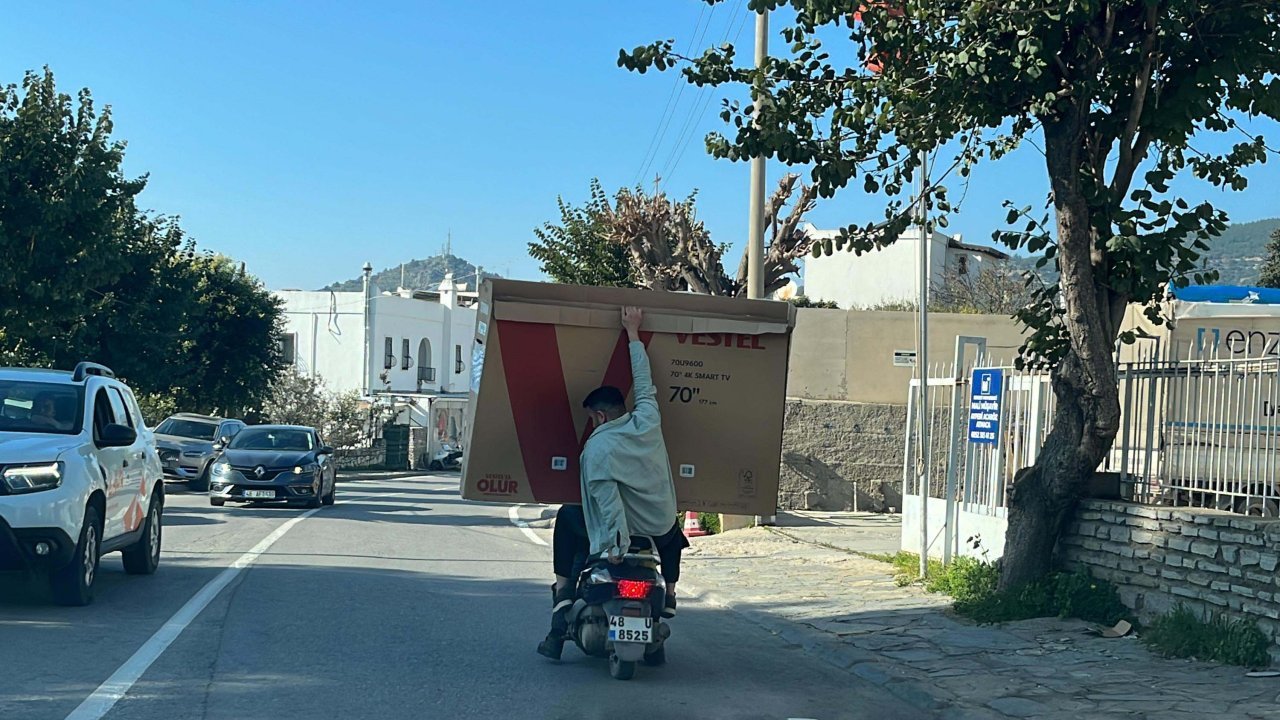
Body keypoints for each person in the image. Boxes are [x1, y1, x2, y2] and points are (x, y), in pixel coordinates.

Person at [537, 306, 689, 660]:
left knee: (568, 518)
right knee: (674, 535)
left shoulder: (597, 448)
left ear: (600, 416)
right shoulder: (648, 419)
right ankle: (670, 592)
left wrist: (616, 545)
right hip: (659, 526)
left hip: (623, 531)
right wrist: (633, 332)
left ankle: (563, 592)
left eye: (592, 418)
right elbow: (645, 382)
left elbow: (608, 503)